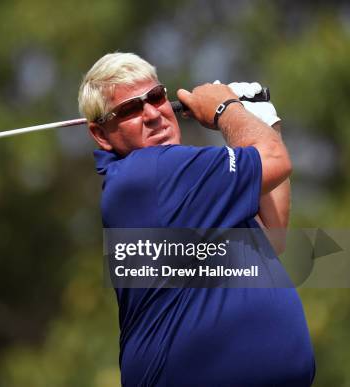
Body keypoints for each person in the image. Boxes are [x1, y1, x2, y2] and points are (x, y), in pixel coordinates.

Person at [78, 52, 315, 386]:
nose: (152, 114)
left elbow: (271, 234)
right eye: (129, 109)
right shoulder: (150, 172)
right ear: (101, 134)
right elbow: (274, 160)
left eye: (156, 97)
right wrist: (225, 108)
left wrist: (263, 119)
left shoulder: (189, 189)